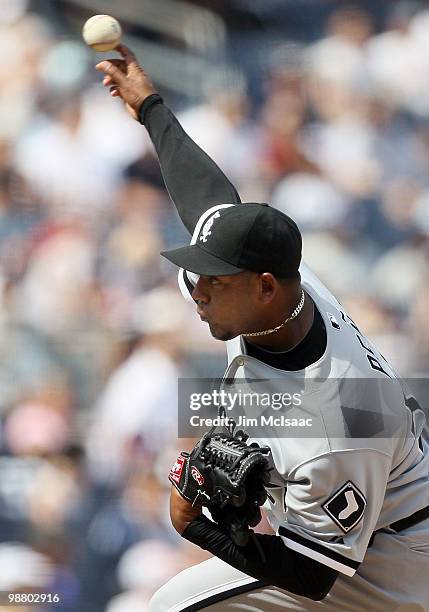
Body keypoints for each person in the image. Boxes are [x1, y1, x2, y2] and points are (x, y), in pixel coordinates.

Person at [96, 45, 429, 611]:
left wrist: (195, 528)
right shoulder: (269, 293)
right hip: (357, 517)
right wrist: (150, 105)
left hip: (392, 566)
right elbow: (213, 205)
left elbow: (313, 576)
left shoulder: (336, 418)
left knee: (168, 607)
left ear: (265, 285)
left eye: (213, 282)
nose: (197, 290)